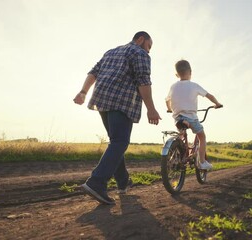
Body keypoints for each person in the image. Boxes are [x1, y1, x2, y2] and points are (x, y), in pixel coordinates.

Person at [73, 31, 161, 205]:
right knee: (120, 142)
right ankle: (96, 182)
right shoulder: (140, 52)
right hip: (121, 102)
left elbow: (93, 73)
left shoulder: (111, 51)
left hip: (101, 100)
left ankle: (123, 182)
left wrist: (83, 92)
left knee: (116, 142)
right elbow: (143, 81)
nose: (149, 51)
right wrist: (151, 108)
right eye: (149, 46)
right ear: (141, 39)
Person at [165, 60, 222, 170]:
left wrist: (169, 109)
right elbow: (209, 95)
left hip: (177, 118)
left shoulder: (173, 86)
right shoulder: (194, 85)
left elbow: (167, 100)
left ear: (177, 74)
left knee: (181, 136)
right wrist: (217, 103)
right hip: (191, 118)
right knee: (202, 137)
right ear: (190, 72)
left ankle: (178, 156)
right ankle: (202, 162)